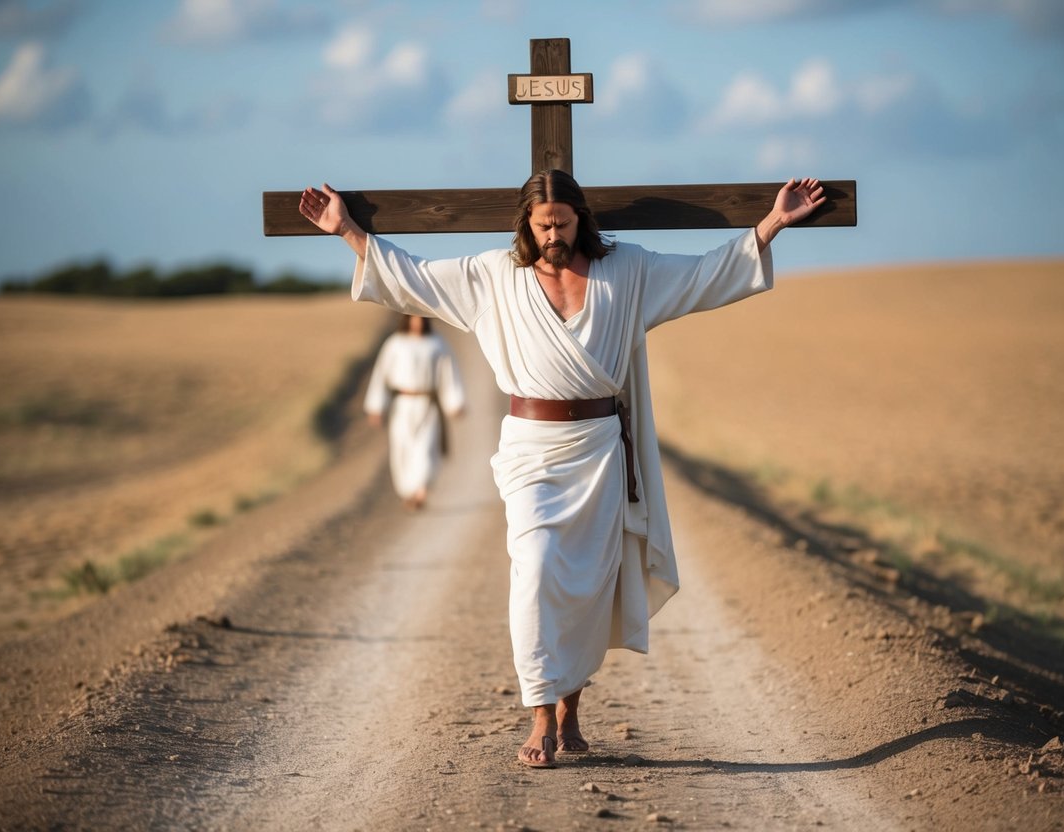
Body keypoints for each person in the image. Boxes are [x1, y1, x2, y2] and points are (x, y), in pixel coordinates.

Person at [298, 169, 825, 768]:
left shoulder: (627, 270)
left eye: (564, 223)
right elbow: (412, 278)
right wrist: (346, 232)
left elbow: (705, 275)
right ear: (527, 222)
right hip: (530, 449)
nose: (553, 234)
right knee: (537, 567)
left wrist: (774, 222)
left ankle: (572, 711)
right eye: (543, 224)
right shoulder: (494, 277)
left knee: (587, 585)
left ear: (581, 218)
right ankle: (540, 713)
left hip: (599, 448)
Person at [363, 313, 465, 510]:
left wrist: (454, 402)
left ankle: (421, 490)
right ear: (407, 319)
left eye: (421, 318)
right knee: (402, 447)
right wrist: (377, 406)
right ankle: (408, 491)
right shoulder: (395, 344)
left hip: (428, 405)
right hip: (402, 405)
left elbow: (448, 373)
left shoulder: (437, 343)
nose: (418, 322)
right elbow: (381, 375)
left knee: (426, 447)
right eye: (414, 318)